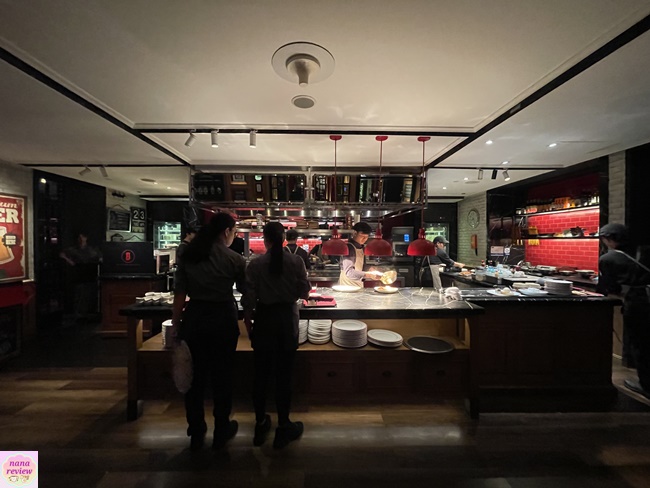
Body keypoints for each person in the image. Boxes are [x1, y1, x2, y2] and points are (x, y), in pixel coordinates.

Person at [172, 213, 247, 450]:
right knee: (222, 377)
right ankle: (221, 429)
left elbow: (180, 292)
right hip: (223, 320)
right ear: (226, 232)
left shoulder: (190, 254)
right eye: (234, 232)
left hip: (195, 319)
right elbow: (246, 291)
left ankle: (196, 429)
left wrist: (176, 324)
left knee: (195, 377)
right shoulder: (234, 258)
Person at [242, 222, 311, 449]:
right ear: (283, 239)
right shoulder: (296, 261)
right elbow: (304, 291)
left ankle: (260, 424)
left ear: (265, 240)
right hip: (286, 321)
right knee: (284, 376)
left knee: (260, 376)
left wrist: (248, 323)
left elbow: (248, 299)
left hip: (264, 320)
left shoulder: (255, 264)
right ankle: (283, 427)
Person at [597, 223, 650, 397]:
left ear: (608, 239)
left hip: (637, 303)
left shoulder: (608, 258)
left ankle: (646, 385)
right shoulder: (644, 251)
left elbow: (609, 288)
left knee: (640, 343)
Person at [59, 232, 101, 322]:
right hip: (78, 275)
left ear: (86, 238)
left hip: (89, 275)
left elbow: (99, 258)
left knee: (88, 294)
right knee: (79, 294)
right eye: (79, 238)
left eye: (82, 238)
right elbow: (62, 255)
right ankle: (79, 314)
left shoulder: (91, 250)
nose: (81, 240)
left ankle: (86, 313)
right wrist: (69, 261)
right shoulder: (73, 250)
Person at [338, 222, 380, 288]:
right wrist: (368, 275)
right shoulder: (349, 248)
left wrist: (369, 269)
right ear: (355, 233)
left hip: (357, 285)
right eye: (362, 236)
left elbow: (361, 266)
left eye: (366, 237)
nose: (365, 239)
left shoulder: (361, 247)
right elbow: (349, 272)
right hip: (346, 287)